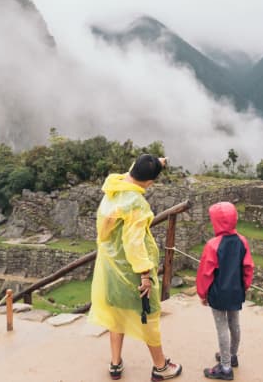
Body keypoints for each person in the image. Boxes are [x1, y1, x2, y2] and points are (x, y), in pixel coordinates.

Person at [88, 154, 182, 381]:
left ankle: (115, 363)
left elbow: (139, 168)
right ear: (149, 182)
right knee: (148, 314)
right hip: (130, 270)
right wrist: (145, 275)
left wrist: (158, 163)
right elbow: (134, 243)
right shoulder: (136, 203)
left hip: (111, 267)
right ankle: (160, 367)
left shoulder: (113, 189)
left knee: (115, 314)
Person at [196, 202, 254, 380]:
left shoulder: (213, 245)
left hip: (218, 293)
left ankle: (226, 367)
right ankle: (232, 355)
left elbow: (206, 273)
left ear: (216, 222)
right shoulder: (242, 241)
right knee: (234, 324)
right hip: (236, 291)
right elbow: (248, 268)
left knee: (222, 327)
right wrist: (244, 287)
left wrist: (202, 293)